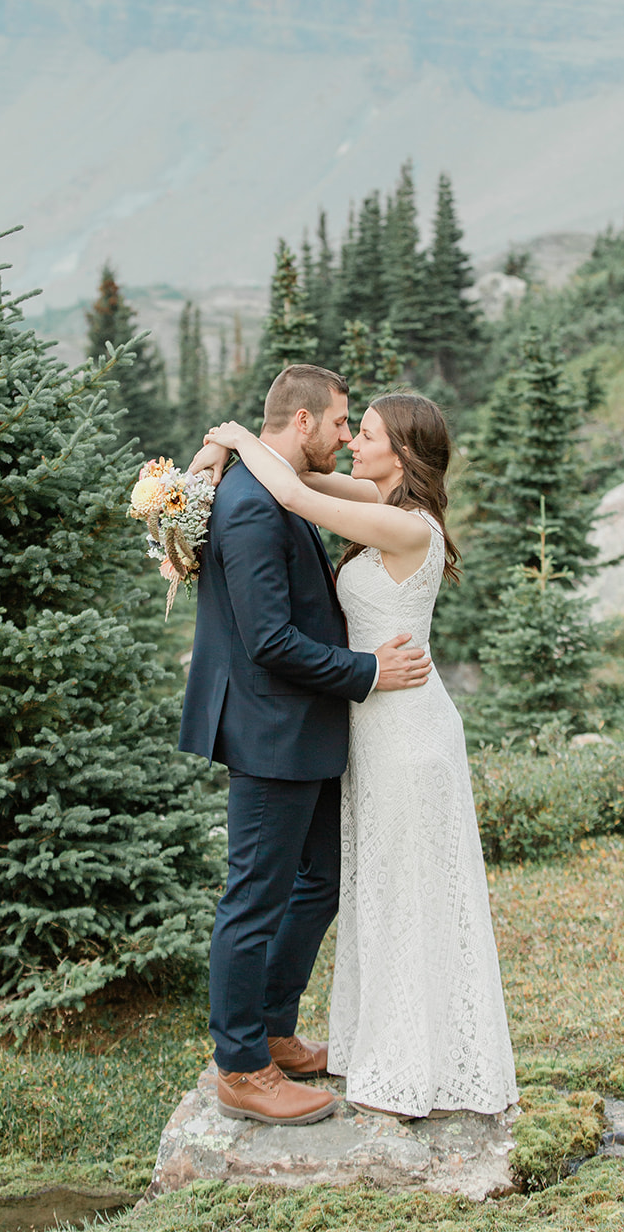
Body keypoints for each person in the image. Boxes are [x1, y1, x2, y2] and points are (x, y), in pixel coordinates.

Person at [196, 390, 517, 1120]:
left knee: (403, 893)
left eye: (362, 433)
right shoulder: (373, 498)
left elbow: (285, 485)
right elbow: (293, 474)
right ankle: (295, 1040)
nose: (349, 442)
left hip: (404, 732)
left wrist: (238, 434)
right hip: (367, 728)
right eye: (346, 425)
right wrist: (216, 453)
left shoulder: (401, 525)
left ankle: (414, 1058)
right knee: (358, 887)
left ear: (400, 453)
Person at [180, 364, 434, 1125]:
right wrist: (368, 672)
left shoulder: (272, 487)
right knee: (254, 896)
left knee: (316, 882)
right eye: (337, 424)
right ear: (300, 423)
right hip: (270, 728)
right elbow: (267, 641)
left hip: (306, 725)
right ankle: (241, 1065)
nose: (344, 437)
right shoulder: (255, 505)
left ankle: (274, 1027)